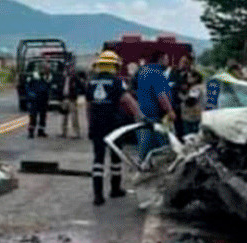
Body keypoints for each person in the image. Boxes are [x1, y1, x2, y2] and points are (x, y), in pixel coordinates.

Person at [86, 50, 144, 206]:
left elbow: (89, 106)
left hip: (97, 124)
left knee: (98, 159)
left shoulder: (91, 82)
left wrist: (90, 125)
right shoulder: (117, 82)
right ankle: (115, 189)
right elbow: (128, 100)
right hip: (113, 124)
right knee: (115, 158)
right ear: (114, 66)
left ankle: (97, 195)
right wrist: (141, 117)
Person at [135, 50, 177, 167]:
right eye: (166, 59)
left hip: (143, 113)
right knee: (165, 144)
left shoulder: (143, 72)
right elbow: (161, 95)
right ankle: (164, 167)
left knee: (144, 143)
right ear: (161, 59)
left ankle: (142, 164)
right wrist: (170, 111)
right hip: (156, 116)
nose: (168, 62)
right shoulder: (156, 73)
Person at [26, 61, 51, 138]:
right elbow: (28, 87)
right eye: (44, 68)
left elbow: (48, 87)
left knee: (43, 116)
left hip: (43, 100)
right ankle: (31, 132)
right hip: (34, 99)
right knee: (33, 116)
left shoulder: (46, 78)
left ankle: (41, 131)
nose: (44, 70)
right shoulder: (33, 77)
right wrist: (31, 95)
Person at [60, 64, 83, 139]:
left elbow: (82, 87)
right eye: (66, 69)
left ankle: (76, 133)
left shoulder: (75, 78)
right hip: (64, 98)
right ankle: (63, 132)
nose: (67, 70)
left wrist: (76, 92)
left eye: (69, 68)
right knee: (64, 116)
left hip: (72, 99)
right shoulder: (63, 78)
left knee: (74, 117)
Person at [181, 69, 204, 136]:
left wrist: (181, 97)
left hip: (192, 117)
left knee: (191, 137)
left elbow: (191, 101)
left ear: (196, 78)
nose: (188, 79)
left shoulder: (196, 88)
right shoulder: (198, 87)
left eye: (190, 77)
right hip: (195, 116)